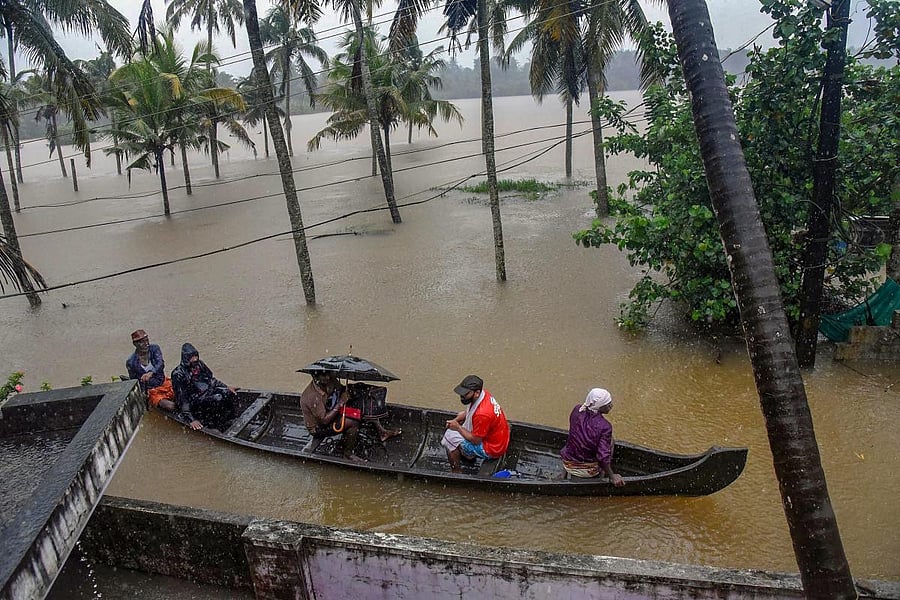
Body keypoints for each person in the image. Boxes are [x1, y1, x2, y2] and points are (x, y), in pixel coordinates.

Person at [441, 375, 510, 474]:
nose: (462, 396)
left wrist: (458, 427)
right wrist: (456, 419)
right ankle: (469, 455)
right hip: (500, 438)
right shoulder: (484, 394)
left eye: (465, 394)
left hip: (493, 449)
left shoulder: (482, 414)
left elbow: (476, 440)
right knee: (461, 416)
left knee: (450, 436)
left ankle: (456, 471)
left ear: (476, 393)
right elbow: (471, 412)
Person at [559, 388, 625, 486]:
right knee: (610, 441)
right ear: (600, 407)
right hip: (586, 470)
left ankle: (563, 473)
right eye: (608, 404)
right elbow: (602, 457)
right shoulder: (605, 426)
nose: (611, 406)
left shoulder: (577, 410)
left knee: (576, 437)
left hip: (567, 461)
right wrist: (612, 476)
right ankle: (602, 476)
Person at [170, 343, 237, 431]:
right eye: (191, 357)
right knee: (217, 399)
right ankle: (216, 425)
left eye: (195, 356)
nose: (195, 359)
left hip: (207, 393)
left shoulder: (200, 364)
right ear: (185, 358)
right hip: (194, 401)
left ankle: (231, 419)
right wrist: (191, 419)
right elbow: (182, 398)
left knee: (227, 393)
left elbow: (211, 380)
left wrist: (226, 387)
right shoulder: (178, 374)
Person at [299, 371, 364, 462]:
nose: (328, 378)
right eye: (324, 375)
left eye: (328, 374)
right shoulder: (312, 396)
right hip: (319, 426)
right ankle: (348, 454)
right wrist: (341, 402)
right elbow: (324, 421)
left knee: (359, 405)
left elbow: (340, 389)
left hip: (329, 410)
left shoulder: (329, 379)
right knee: (353, 422)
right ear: (315, 376)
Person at [125, 329, 175, 411]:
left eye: (147, 340)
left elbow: (160, 363)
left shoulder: (154, 349)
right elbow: (134, 381)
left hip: (163, 382)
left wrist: (151, 372)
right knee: (171, 406)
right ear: (135, 344)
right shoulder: (131, 362)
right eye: (142, 342)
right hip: (151, 390)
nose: (146, 344)